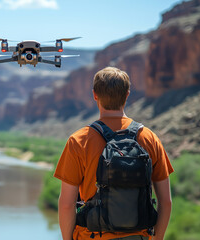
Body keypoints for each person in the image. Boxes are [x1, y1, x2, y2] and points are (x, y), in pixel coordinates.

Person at [54, 67, 174, 240]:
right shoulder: (149, 138)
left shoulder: (79, 140)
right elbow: (166, 202)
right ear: (127, 95)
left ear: (95, 95)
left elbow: (66, 204)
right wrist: (157, 238)